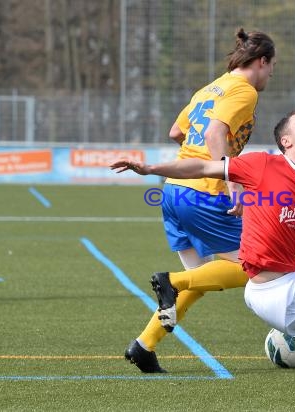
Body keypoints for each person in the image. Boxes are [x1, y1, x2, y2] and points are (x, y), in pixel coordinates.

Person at [111, 108, 295, 388]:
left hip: (291, 277)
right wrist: (150, 168)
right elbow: (203, 166)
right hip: (278, 296)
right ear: (286, 141)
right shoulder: (262, 165)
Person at [123, 28, 276, 373]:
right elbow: (213, 132)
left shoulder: (211, 87)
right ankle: (170, 282)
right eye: (271, 67)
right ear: (261, 61)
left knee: (201, 277)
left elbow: (177, 132)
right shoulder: (244, 90)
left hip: (173, 190)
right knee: (255, 266)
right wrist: (232, 180)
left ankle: (144, 346)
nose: (271, 75)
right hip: (204, 192)